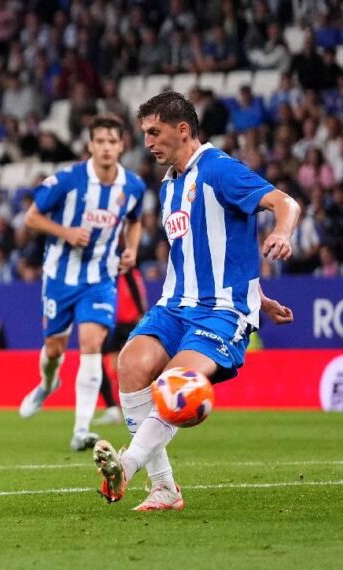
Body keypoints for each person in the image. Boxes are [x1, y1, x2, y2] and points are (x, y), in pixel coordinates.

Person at [93, 91, 299, 511]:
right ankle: (164, 488)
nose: (147, 142)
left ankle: (126, 466)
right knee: (130, 363)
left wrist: (282, 233)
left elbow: (285, 202)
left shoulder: (219, 169)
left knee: (175, 382)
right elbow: (211, 252)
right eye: (144, 133)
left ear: (182, 129)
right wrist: (260, 294)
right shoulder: (170, 184)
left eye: (155, 132)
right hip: (175, 305)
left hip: (221, 311)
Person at [18, 114, 146, 452]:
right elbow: (31, 217)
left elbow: (134, 221)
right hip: (60, 277)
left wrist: (131, 249)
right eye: (99, 141)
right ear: (90, 145)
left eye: (112, 141)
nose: (105, 148)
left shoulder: (133, 185)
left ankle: (81, 429)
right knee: (54, 350)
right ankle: (48, 384)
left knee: (91, 346)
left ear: (121, 146)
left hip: (101, 279)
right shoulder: (67, 180)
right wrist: (66, 232)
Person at [94, 267, 149, 426]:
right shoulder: (118, 273)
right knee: (111, 367)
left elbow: (137, 294)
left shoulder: (130, 273)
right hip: (117, 324)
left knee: (129, 366)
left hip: (129, 323)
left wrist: (140, 313)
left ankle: (136, 405)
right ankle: (115, 407)